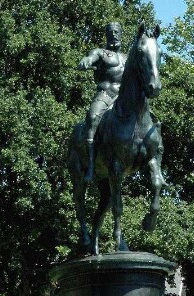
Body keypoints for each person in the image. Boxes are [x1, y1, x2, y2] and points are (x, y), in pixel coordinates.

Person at [78, 22, 126, 181]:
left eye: (116, 31)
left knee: (148, 118)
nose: (114, 34)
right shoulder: (100, 53)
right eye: (110, 32)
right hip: (106, 94)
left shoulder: (127, 58)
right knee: (92, 118)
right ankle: (91, 166)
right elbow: (91, 58)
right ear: (107, 35)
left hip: (124, 98)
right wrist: (86, 60)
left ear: (121, 34)